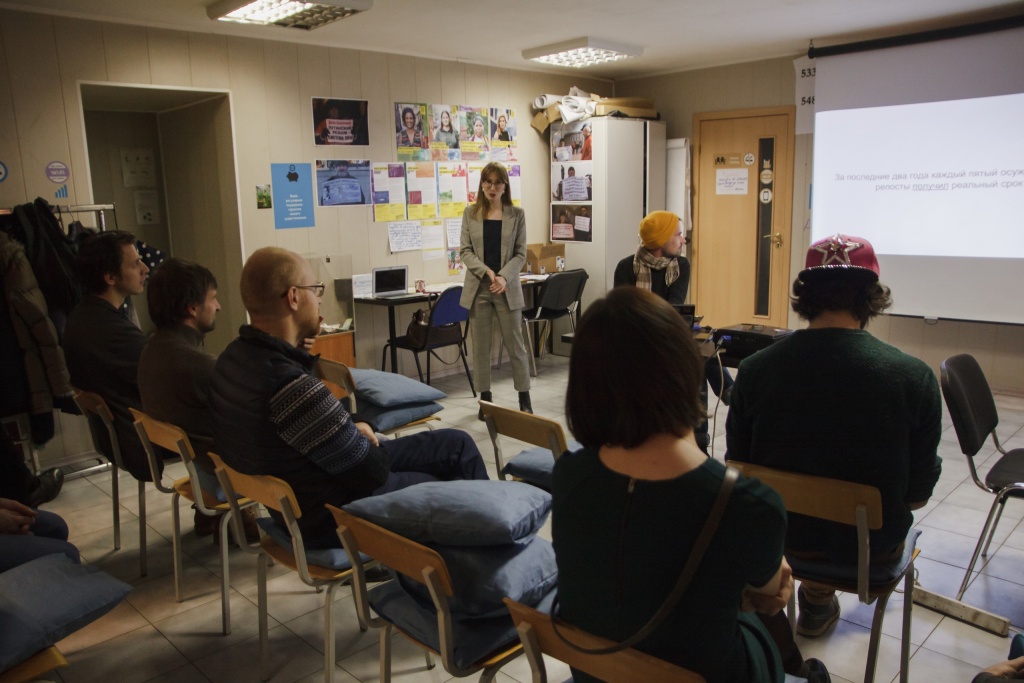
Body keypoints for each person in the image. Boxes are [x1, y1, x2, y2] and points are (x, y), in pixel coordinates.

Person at [553, 287, 829, 683]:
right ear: (685, 371)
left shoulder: (568, 473)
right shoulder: (748, 503)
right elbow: (772, 595)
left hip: (598, 673)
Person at [725, 233, 942, 637]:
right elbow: (917, 495)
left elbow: (739, 469)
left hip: (776, 541)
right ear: (872, 297)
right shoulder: (915, 377)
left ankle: (811, 598)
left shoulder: (755, 370)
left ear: (804, 295)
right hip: (869, 553)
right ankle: (817, 600)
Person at [208, 247, 488, 549]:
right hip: (335, 514)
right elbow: (373, 471)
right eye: (316, 289)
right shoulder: (290, 387)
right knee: (448, 484)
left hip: (301, 499)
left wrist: (352, 424)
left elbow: (307, 426)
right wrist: (356, 433)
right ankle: (488, 547)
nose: (319, 299)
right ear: (293, 297)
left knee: (457, 444)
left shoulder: (232, 359)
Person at [137, 258, 257, 541]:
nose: (218, 306)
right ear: (192, 308)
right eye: (213, 299)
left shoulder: (151, 349)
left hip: (197, 465)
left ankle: (212, 517)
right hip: (219, 471)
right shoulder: (197, 365)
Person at [613, 211, 735, 450]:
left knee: (699, 349)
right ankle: (727, 396)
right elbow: (624, 314)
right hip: (636, 339)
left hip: (666, 333)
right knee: (693, 355)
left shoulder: (680, 265)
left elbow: (673, 307)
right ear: (661, 239)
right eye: (678, 234)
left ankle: (701, 437)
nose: (683, 240)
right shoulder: (626, 267)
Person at [63, 231, 153, 480]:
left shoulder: (81, 317)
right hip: (139, 442)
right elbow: (164, 378)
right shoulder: (111, 331)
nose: (145, 269)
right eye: (135, 263)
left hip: (114, 440)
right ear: (110, 277)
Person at [459, 162, 533, 416]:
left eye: (497, 182)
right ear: (482, 184)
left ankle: (524, 397)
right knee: (481, 347)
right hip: (479, 287)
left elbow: (520, 254)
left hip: (506, 288)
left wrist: (502, 276)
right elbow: (465, 251)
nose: (492, 187)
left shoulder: (517, 214)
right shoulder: (470, 214)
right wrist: (487, 271)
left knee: (516, 345)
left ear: (505, 186)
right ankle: (485, 400)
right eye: (488, 182)